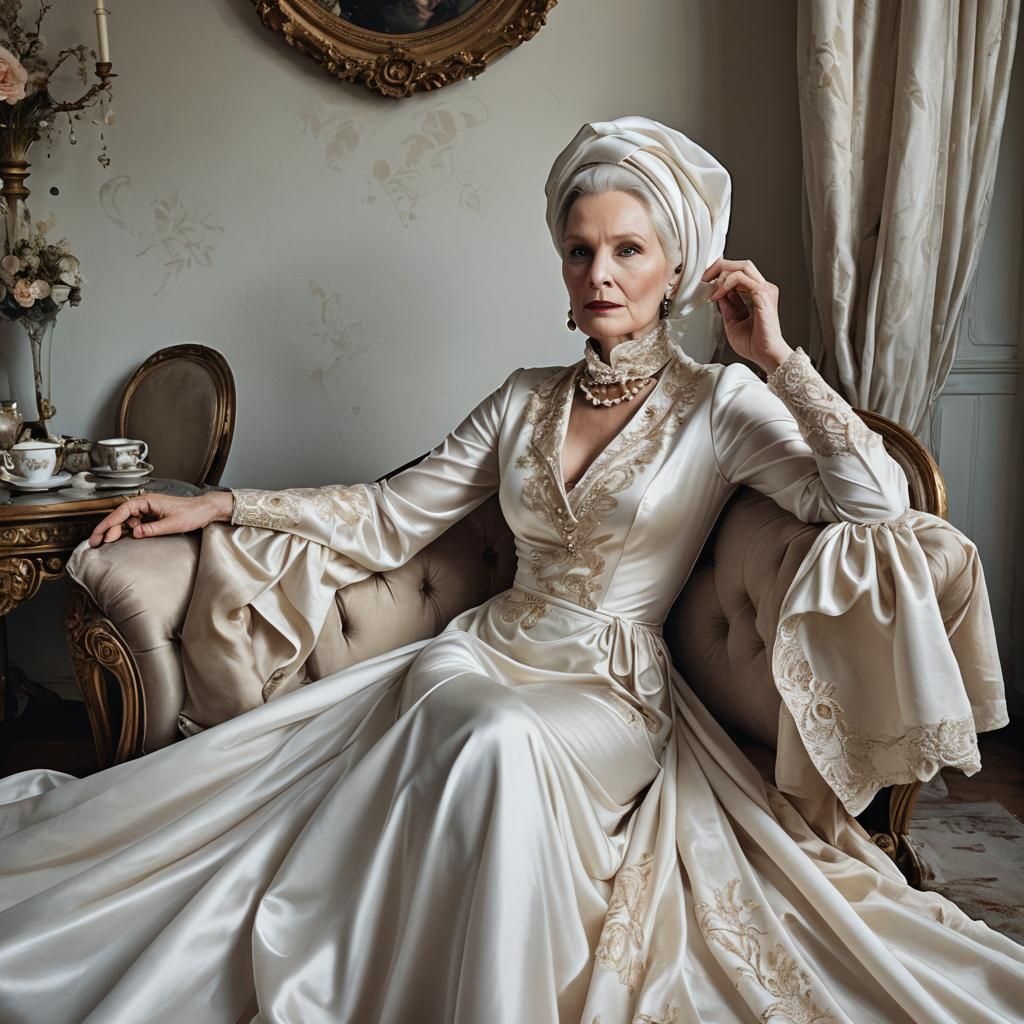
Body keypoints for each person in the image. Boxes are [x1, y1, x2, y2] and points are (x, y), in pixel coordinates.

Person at [0, 116, 1021, 1023]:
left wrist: (778, 357)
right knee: (455, 707)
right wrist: (220, 503)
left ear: (675, 267)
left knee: (494, 739)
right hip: (481, 650)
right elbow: (392, 511)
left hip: (608, 691)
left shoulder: (721, 404)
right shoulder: (524, 397)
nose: (600, 274)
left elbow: (874, 503)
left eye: (628, 249)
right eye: (581, 252)